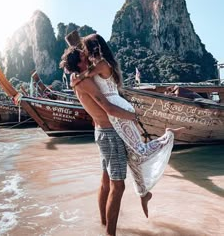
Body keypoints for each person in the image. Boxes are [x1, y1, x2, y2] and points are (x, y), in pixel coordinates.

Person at [64, 31, 184, 210]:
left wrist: (73, 78)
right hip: (116, 115)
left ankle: (168, 135)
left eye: (86, 50)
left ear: (93, 50)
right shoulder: (97, 66)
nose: (85, 54)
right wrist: (74, 74)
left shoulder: (101, 65)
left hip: (120, 113)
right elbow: (81, 71)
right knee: (133, 156)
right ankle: (144, 193)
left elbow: (82, 75)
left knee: (140, 152)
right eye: (83, 52)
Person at [60, 46, 138, 236]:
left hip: (100, 132)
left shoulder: (77, 80)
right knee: (118, 186)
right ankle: (110, 234)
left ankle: (103, 223)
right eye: (83, 56)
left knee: (105, 182)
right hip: (111, 134)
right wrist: (133, 116)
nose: (87, 57)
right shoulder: (85, 83)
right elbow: (109, 109)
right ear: (79, 62)